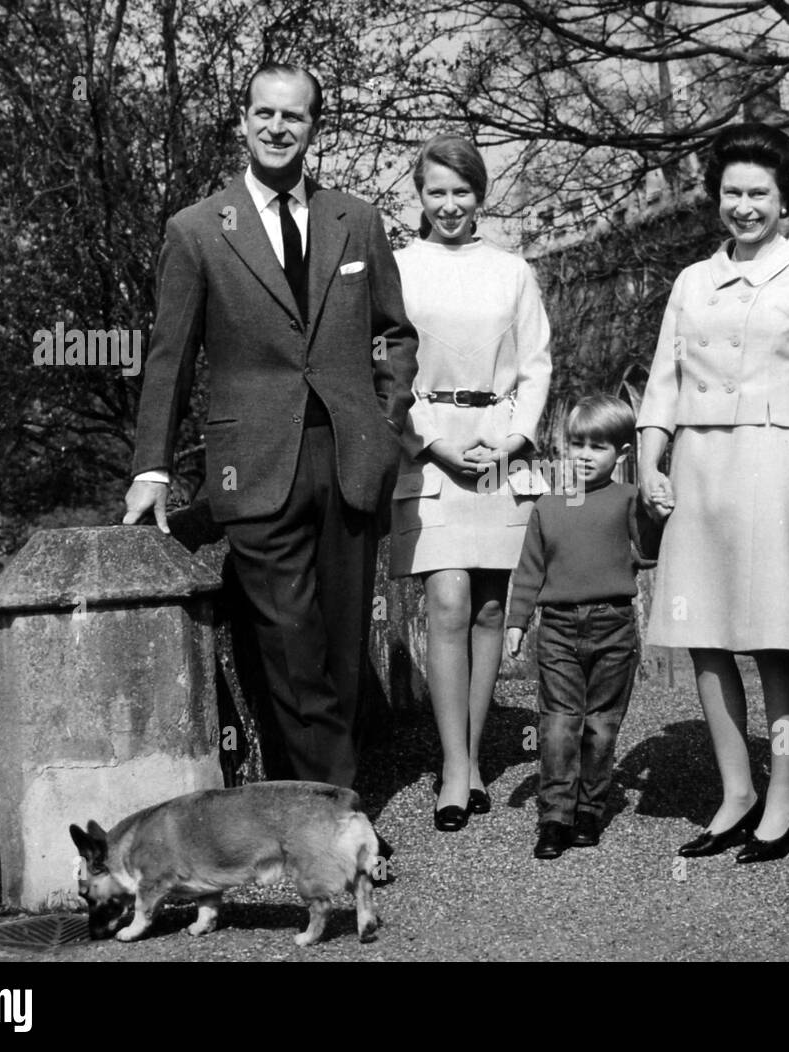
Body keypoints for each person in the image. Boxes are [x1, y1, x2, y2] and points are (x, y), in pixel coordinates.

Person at [123, 63, 418, 789]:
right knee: (290, 641)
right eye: (265, 114)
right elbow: (168, 358)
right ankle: (335, 812)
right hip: (252, 466)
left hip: (347, 460)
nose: (278, 128)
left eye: (294, 116)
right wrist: (151, 469)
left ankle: (309, 800)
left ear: (315, 127)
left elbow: (395, 335)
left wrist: (384, 422)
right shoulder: (196, 232)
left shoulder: (358, 219)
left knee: (345, 649)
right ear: (243, 122)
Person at [637, 122, 789, 863]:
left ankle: (787, 792)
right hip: (700, 467)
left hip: (777, 464)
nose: (744, 206)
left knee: (778, 638)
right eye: (732, 192)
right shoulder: (694, 280)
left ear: (787, 200)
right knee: (705, 633)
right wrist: (650, 457)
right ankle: (737, 792)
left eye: (760, 193)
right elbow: (665, 376)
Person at [390, 134, 551, 832]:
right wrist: (434, 440)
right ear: (418, 196)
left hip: (501, 448)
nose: (450, 205)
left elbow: (538, 362)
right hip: (429, 451)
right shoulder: (396, 269)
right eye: (436, 192)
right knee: (447, 599)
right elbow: (388, 367)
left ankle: (474, 757)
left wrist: (512, 437)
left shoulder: (513, 272)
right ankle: (451, 765)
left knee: (490, 607)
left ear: (480, 195)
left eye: (462, 192)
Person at [504, 396, 665, 859]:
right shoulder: (547, 507)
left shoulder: (629, 500)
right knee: (558, 725)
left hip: (614, 625)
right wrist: (518, 621)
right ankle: (554, 816)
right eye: (577, 443)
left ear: (623, 453)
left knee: (601, 725)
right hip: (556, 627)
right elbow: (529, 569)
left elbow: (649, 552)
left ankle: (589, 810)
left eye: (598, 446)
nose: (585, 454)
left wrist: (657, 514)